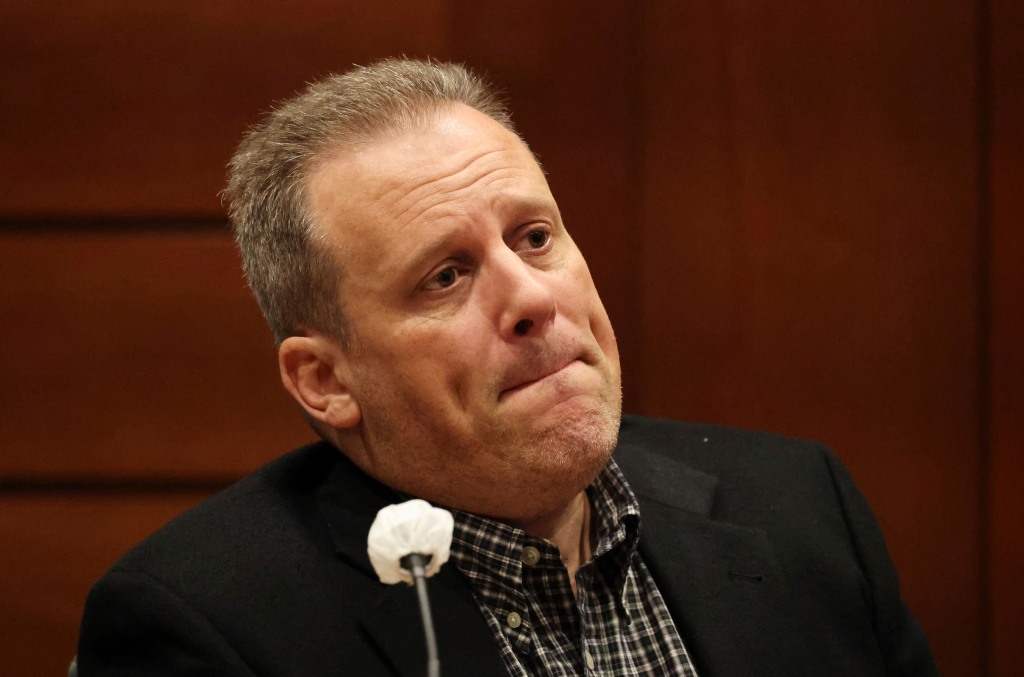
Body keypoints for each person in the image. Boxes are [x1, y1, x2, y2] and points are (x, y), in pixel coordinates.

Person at [77, 59, 938, 676]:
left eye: (535, 237)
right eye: (445, 276)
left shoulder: (802, 507)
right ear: (326, 382)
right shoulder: (202, 624)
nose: (531, 296)